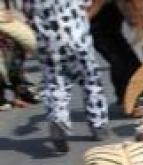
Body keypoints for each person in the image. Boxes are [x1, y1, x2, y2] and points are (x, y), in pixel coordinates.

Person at [21, 0, 111, 152]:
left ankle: (58, 118)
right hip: (77, 38)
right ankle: (98, 124)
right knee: (91, 80)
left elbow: (27, 11)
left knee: (55, 83)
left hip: (48, 42)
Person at [88, 0, 143, 112]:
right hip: (100, 34)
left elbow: (130, 8)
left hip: (114, 33)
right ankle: (128, 104)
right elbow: (91, 11)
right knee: (121, 64)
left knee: (131, 63)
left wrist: (140, 23)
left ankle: (127, 99)